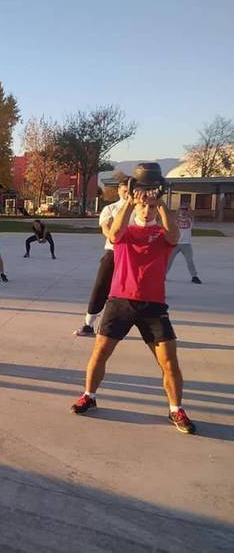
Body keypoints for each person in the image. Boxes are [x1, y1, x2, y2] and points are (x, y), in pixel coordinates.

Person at [70, 188, 196, 434]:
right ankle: (89, 395)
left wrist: (159, 203)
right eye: (143, 207)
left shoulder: (162, 235)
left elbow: (174, 234)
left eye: (151, 207)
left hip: (153, 306)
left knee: (169, 362)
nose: (147, 211)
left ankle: (175, 409)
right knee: (99, 353)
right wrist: (129, 201)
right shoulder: (124, 232)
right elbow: (114, 233)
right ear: (135, 209)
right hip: (120, 303)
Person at [74, 177, 131, 337]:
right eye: (124, 191)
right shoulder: (111, 209)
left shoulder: (141, 209)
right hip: (113, 252)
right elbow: (106, 230)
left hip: (134, 257)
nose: (127, 195)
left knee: (130, 294)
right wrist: (112, 235)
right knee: (101, 287)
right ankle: (88, 324)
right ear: (119, 190)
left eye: (130, 191)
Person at [167, 205, 202, 284]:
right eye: (182, 209)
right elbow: (173, 217)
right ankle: (162, 275)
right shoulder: (176, 219)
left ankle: (194, 276)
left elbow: (192, 216)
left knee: (189, 260)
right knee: (169, 261)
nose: (184, 211)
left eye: (185, 209)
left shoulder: (189, 219)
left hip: (186, 244)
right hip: (175, 243)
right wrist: (178, 209)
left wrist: (189, 209)